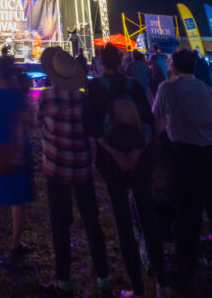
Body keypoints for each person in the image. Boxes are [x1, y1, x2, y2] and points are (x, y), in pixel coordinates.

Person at [84, 43, 171, 298]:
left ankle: (137, 288)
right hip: (139, 159)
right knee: (149, 219)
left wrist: (116, 155)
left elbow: (94, 129)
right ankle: (162, 283)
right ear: (121, 62)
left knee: (124, 223)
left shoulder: (96, 87)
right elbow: (147, 121)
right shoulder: (134, 85)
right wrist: (136, 152)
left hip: (113, 163)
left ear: (101, 63)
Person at [38, 46, 110, 297]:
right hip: (82, 168)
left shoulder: (46, 98)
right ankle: (104, 278)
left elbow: (39, 123)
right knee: (93, 224)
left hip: (56, 169)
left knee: (60, 224)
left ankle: (63, 281)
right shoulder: (85, 100)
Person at [152, 47, 212, 294]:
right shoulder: (204, 88)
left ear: (174, 66)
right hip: (207, 152)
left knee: (185, 208)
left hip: (183, 153)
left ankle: (183, 264)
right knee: (201, 204)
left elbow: (156, 121)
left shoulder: (168, 88)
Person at [0, 54, 34, 254]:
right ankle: (15, 242)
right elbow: (28, 119)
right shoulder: (15, 93)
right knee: (18, 198)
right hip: (17, 145)